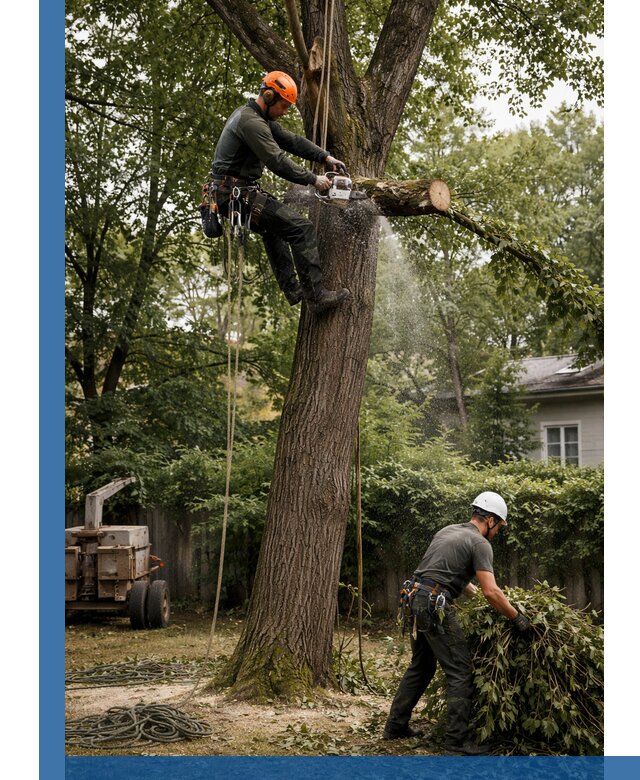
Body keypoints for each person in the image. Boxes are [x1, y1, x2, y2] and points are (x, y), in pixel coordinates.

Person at [382, 491, 531, 755]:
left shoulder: (448, 531)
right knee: (461, 670)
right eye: (499, 526)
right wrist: (516, 616)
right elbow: (492, 591)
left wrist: (482, 601)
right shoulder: (480, 543)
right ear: (491, 520)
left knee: (422, 665)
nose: (498, 531)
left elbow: (452, 579)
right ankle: (456, 742)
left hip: (415, 597)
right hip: (433, 604)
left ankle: (395, 726)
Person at [209, 70, 350, 314]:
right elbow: (277, 161)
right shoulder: (251, 123)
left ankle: (292, 289)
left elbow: (291, 140)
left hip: (233, 193)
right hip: (234, 194)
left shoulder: (255, 117)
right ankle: (316, 297)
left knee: (273, 229)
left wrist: (325, 157)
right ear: (269, 96)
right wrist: (313, 179)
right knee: (301, 228)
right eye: (283, 106)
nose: (285, 112)